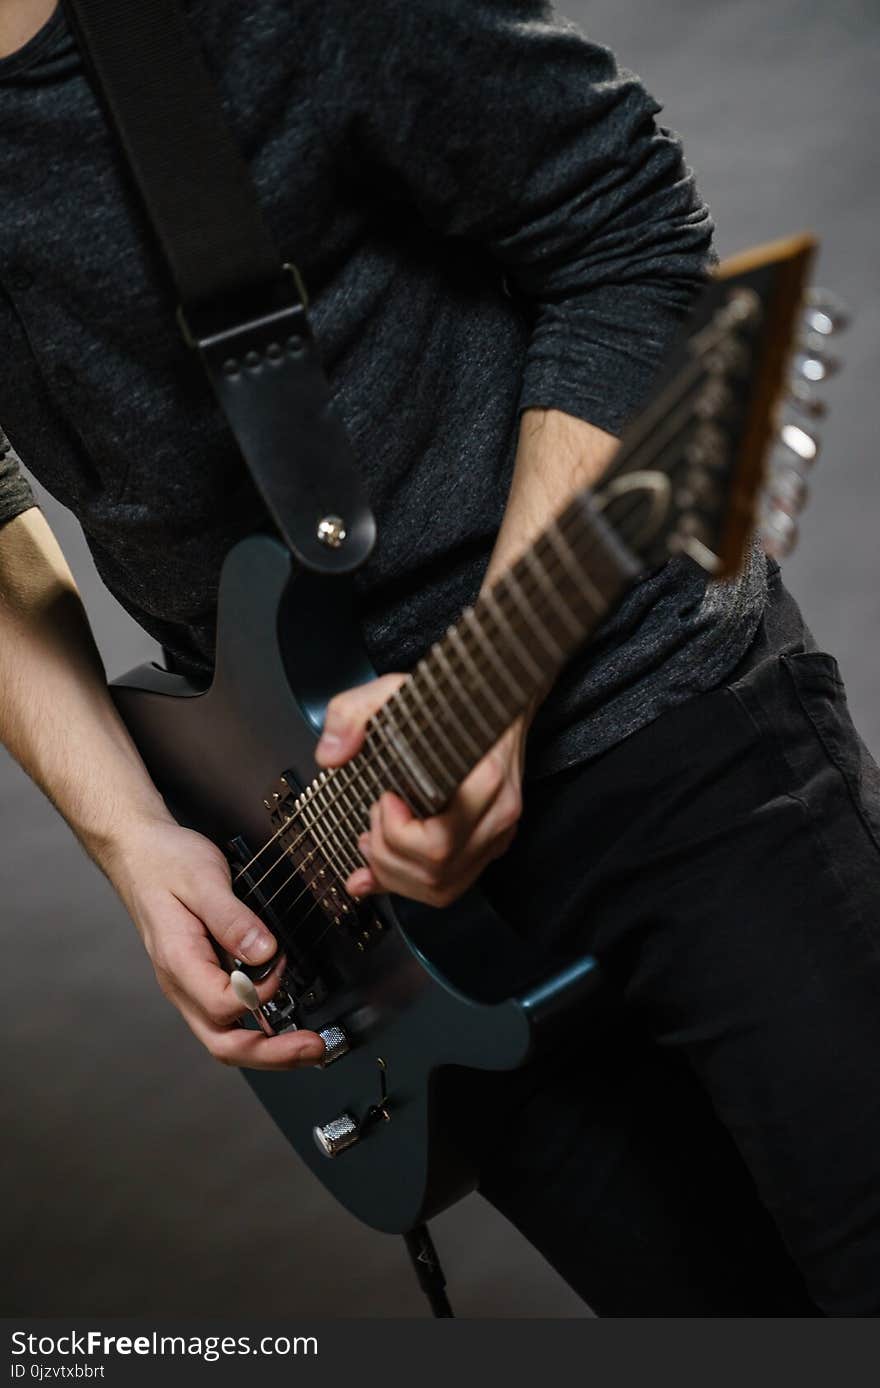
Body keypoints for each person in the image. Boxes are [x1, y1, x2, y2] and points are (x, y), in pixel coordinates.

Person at [0, 0, 877, 1316]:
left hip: (670, 747)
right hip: (357, 905)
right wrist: (132, 840)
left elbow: (634, 239)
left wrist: (499, 686)